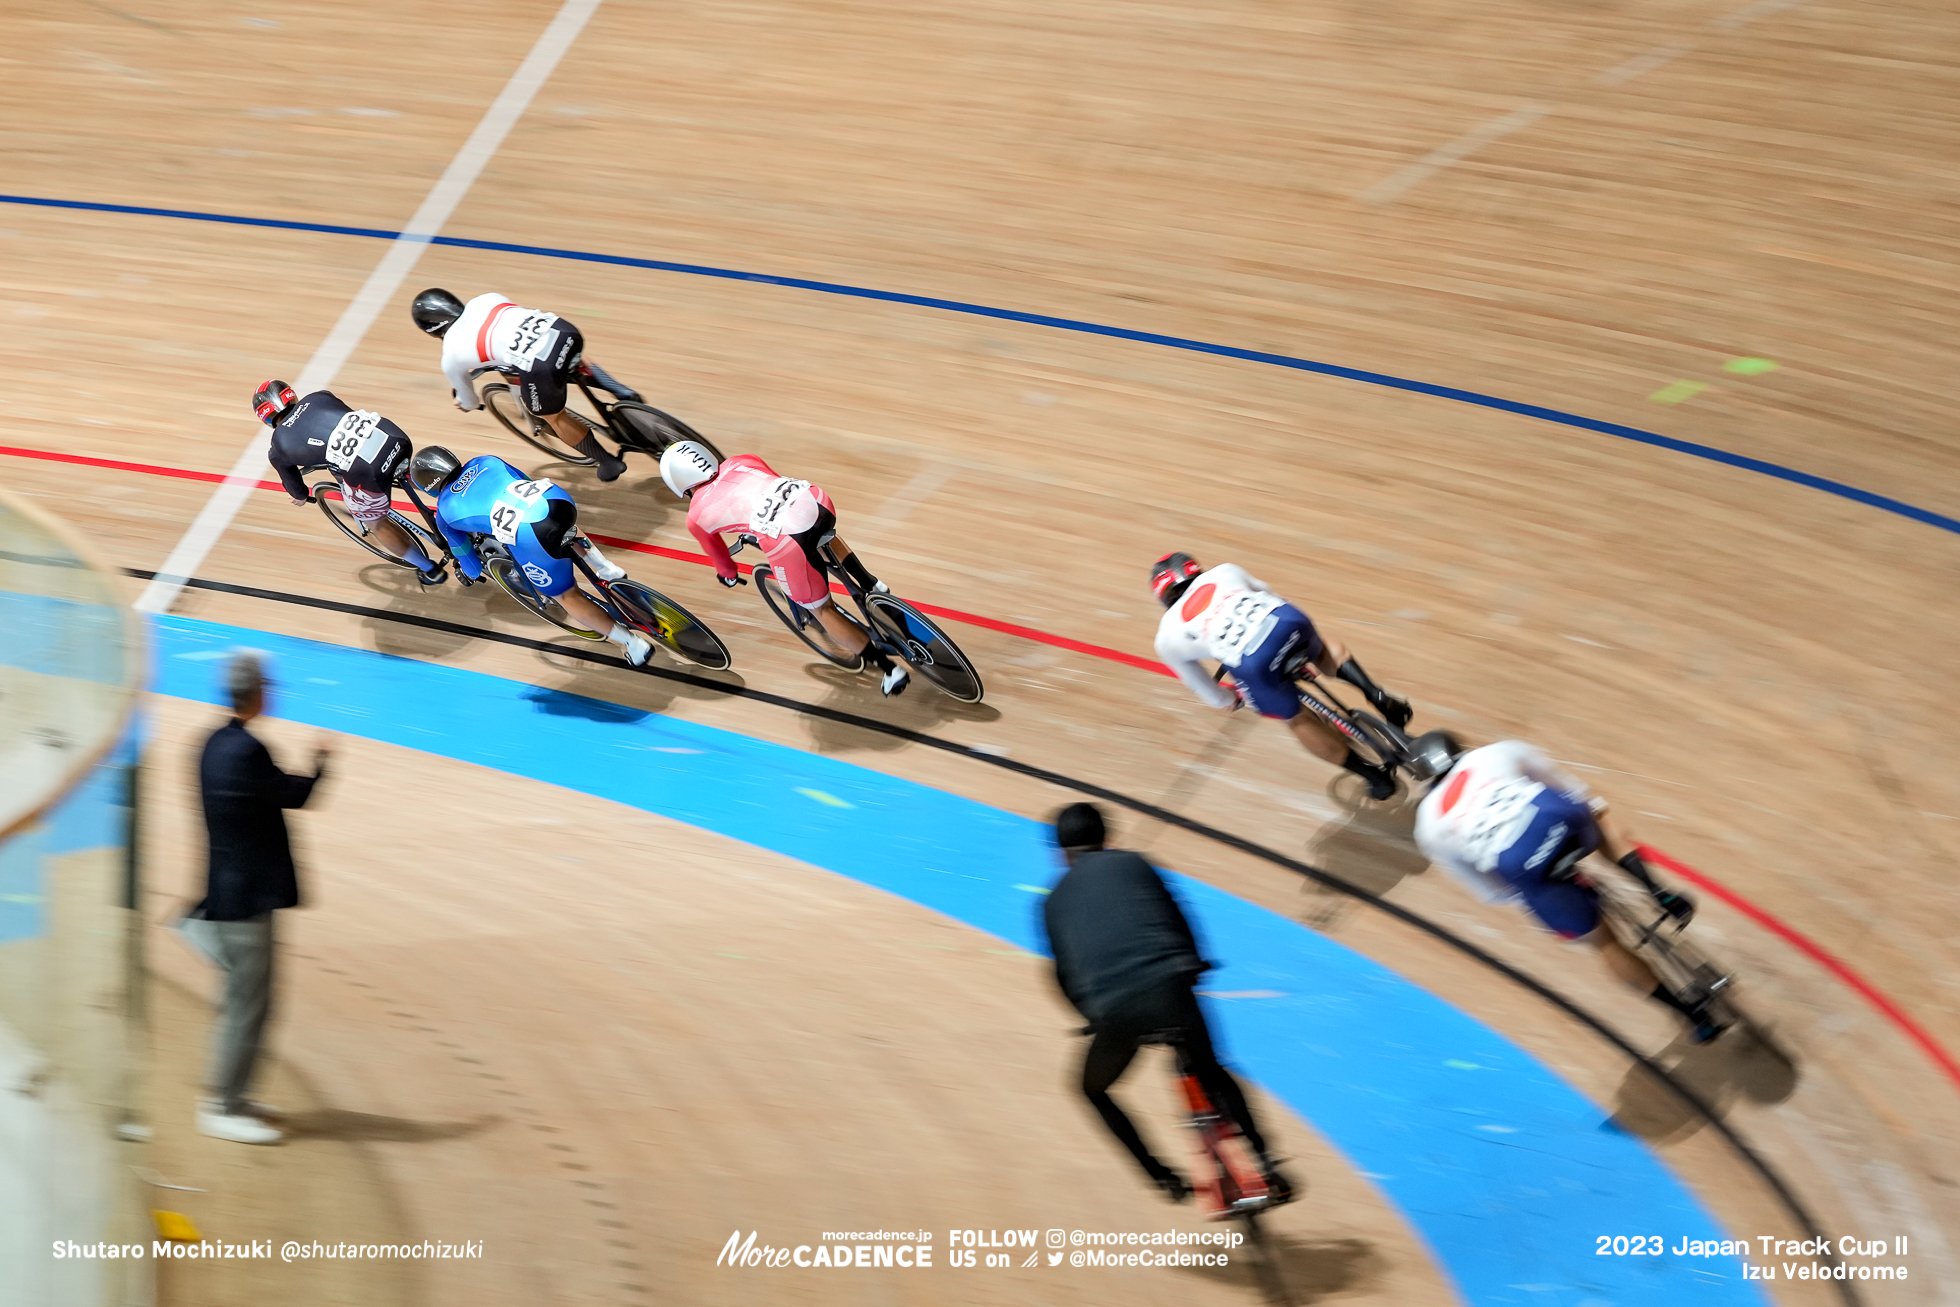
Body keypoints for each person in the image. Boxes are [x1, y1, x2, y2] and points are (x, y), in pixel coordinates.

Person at [1039, 802, 1293, 1205]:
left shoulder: (1050, 904)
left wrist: (1094, 1016)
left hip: (1115, 1012)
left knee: (1092, 1089)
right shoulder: (1136, 864)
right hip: (1172, 987)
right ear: (1108, 839)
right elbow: (1178, 918)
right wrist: (1193, 968)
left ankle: (1163, 1178)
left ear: (1058, 851)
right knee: (1210, 1069)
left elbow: (1063, 977)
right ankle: (1268, 1160)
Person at [1407, 732, 1722, 1041]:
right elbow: (1574, 791)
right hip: (1555, 817)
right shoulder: (1497, 751)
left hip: (1520, 865)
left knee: (1603, 943)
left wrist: (1536, 889)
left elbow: (1491, 891)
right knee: (1600, 821)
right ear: (1459, 748)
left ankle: (1691, 1014)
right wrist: (1590, 816)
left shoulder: (1427, 826)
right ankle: (1657, 891)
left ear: (1424, 779)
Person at [185, 650, 329, 1145]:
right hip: (244, 899)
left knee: (249, 1004)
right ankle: (222, 1104)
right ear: (260, 693)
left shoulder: (210, 743)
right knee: (247, 1006)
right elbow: (297, 794)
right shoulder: (247, 750)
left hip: (230, 890)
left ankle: (236, 1095)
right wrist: (322, 766)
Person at [658, 440, 910, 696]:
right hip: (816, 500)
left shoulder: (696, 516)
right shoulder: (742, 459)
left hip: (790, 539)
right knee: (822, 535)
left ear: (680, 485)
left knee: (821, 608)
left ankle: (889, 669)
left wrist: (729, 576)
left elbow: (723, 560)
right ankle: (870, 584)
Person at [1150, 552, 1408, 801]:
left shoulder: (1166, 637)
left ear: (1163, 596)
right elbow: (1271, 595)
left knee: (1295, 719)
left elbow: (1209, 694)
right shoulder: (1225, 571)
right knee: (1322, 646)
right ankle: (1374, 692)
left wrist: (1230, 699)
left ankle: (1375, 777)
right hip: (1287, 621)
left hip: (1255, 663)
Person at [409, 445, 654, 667]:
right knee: (563, 527)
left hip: (532, 533)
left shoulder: (444, 512)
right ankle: (606, 568)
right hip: (556, 500)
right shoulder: (485, 459)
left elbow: (471, 565)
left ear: (427, 486)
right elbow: (524, 481)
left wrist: (468, 573)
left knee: (566, 595)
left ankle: (633, 644)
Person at [410, 287, 640, 483]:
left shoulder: (451, 353)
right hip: (563, 330)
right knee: (573, 358)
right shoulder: (486, 298)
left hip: (542, 365)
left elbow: (469, 402)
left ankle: (607, 461)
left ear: (431, 330)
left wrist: (463, 402)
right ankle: (622, 391)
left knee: (554, 417)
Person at [253, 380, 446, 587]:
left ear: (265, 416)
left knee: (376, 523)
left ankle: (431, 570)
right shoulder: (320, 396)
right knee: (409, 473)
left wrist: (299, 496)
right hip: (394, 436)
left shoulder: (278, 447)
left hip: (367, 470)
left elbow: (299, 492)